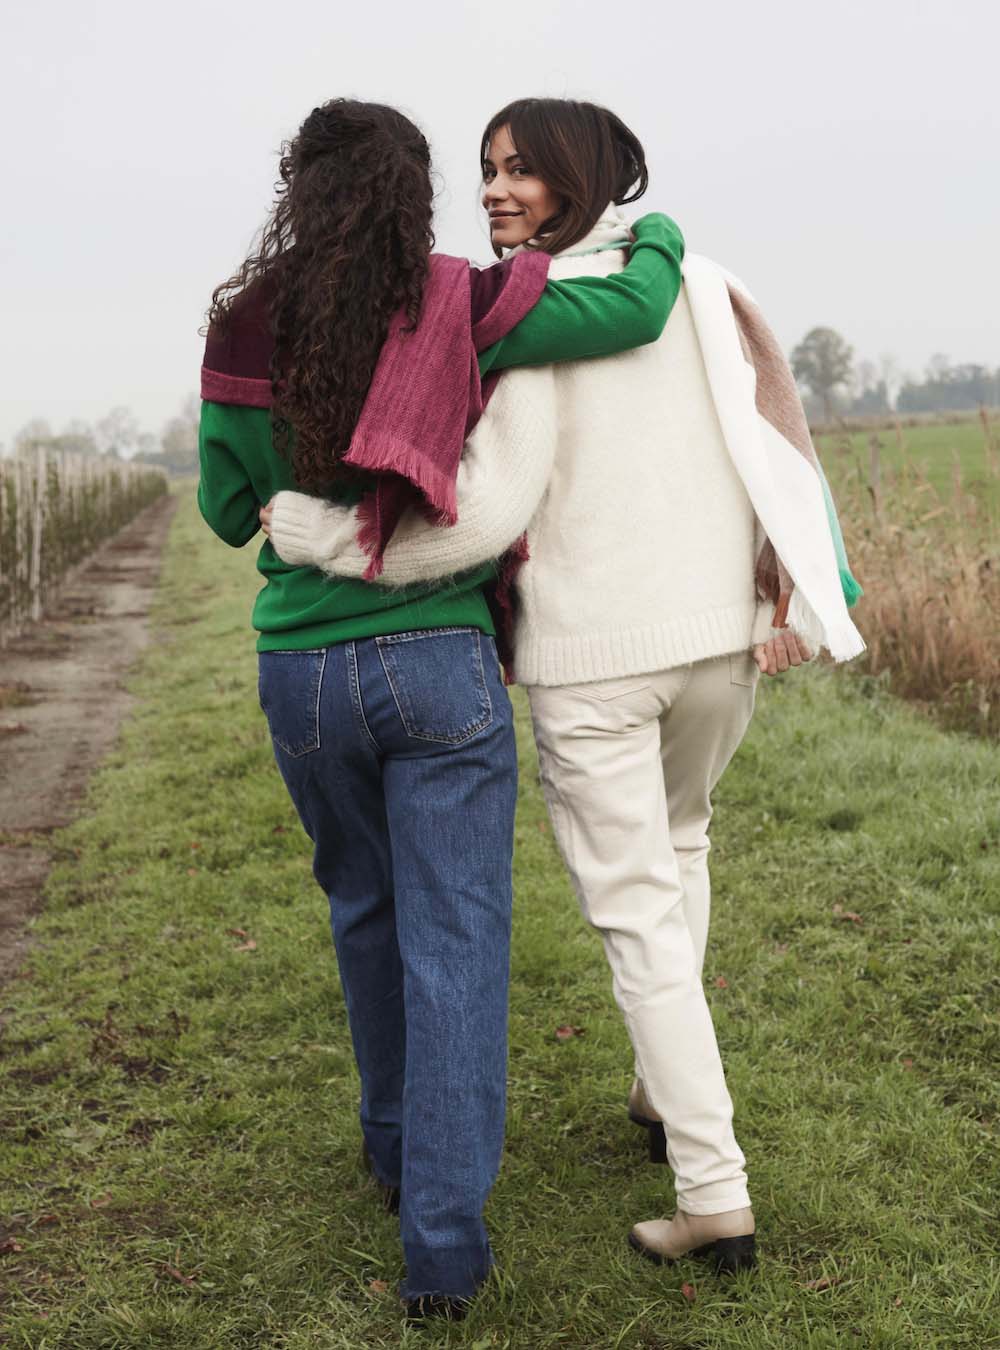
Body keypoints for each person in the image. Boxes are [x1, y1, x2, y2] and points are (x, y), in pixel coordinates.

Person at [263, 96, 864, 1280]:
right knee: (682, 848)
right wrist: (793, 592)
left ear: (579, 177)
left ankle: (713, 1191)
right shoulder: (699, 283)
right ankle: (660, 1089)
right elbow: (776, 445)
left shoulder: (523, 316)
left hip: (596, 660)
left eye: (521, 170)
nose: (495, 190)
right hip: (716, 644)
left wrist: (314, 535)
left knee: (636, 913)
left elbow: (484, 514)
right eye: (488, 169)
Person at [197, 97, 686, 1319]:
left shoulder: (243, 321)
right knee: (455, 941)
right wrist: (660, 230)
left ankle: (390, 1148)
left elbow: (224, 506)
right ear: (413, 198)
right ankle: (444, 1249)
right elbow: (633, 308)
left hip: (304, 671)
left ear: (298, 190)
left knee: (364, 912)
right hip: (437, 661)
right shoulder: (458, 301)